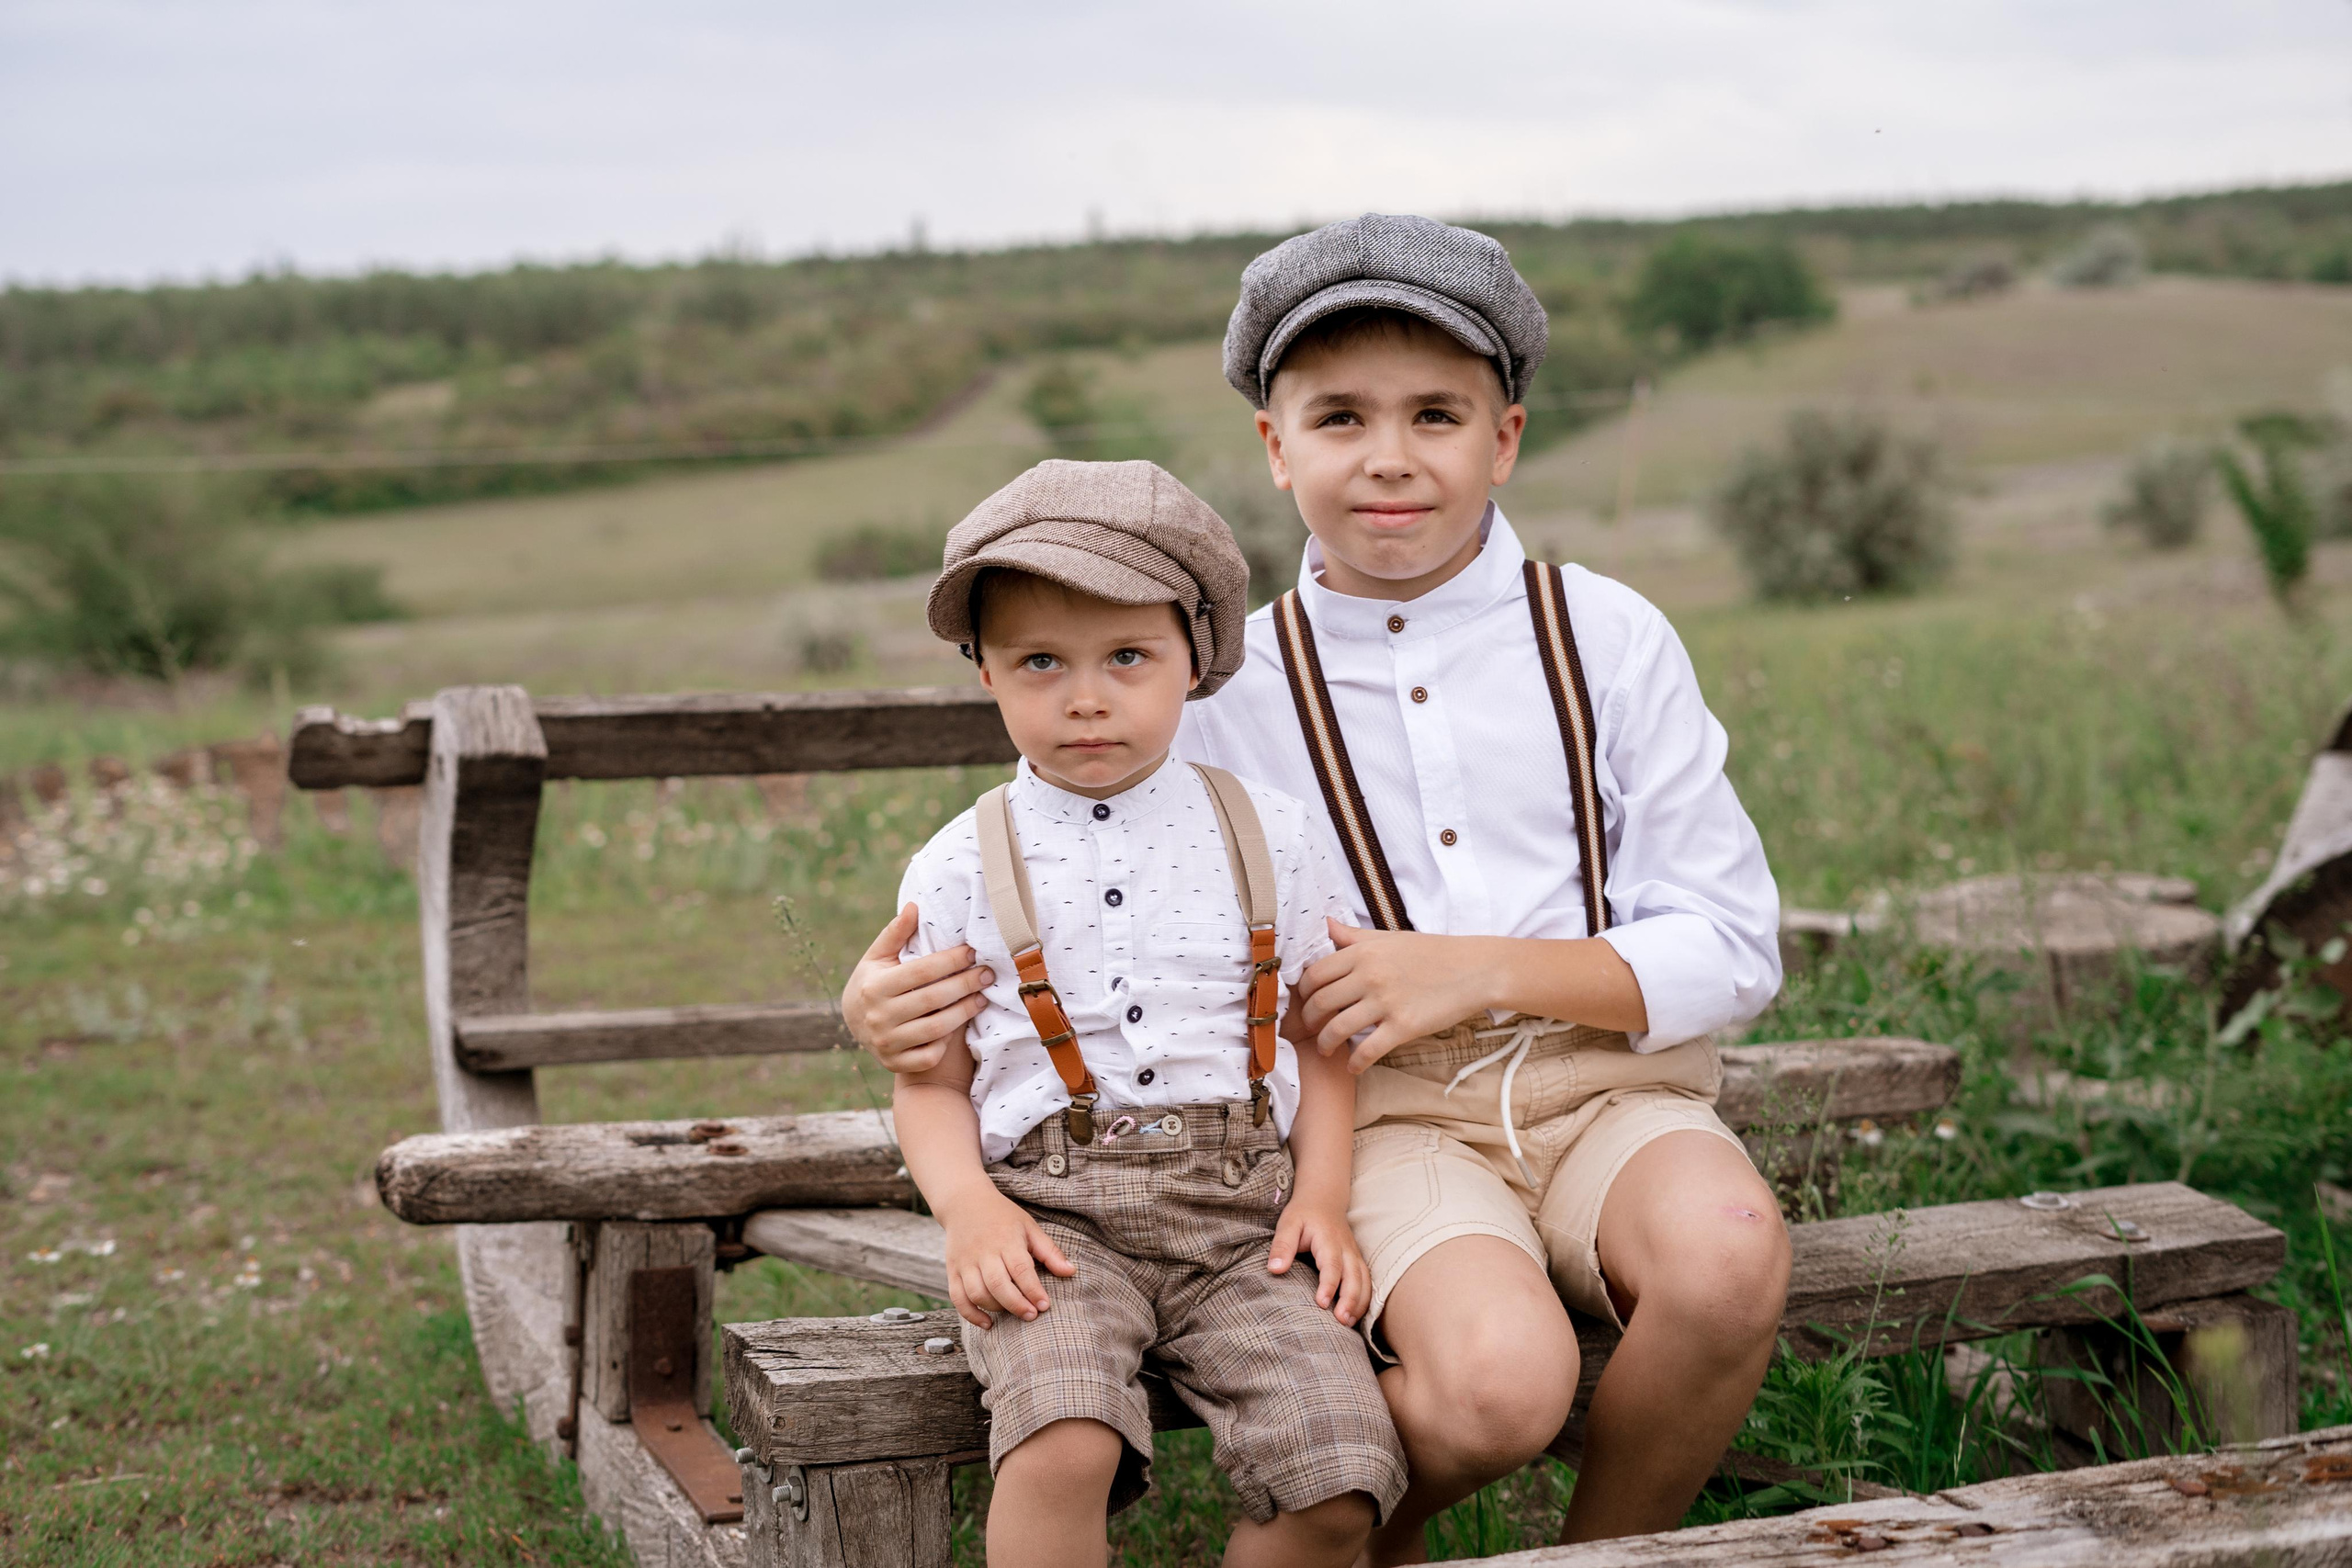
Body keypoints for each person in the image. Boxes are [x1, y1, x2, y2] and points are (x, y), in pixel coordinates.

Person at [850, 215, 1788, 1558]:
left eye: (1437, 414)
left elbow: (1735, 942)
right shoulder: (1210, 685)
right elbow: (1052, 871)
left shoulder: (1606, 634)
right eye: (1339, 416)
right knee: (1495, 1385)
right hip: (1378, 1113)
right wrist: (879, 990)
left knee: (1731, 1245)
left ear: (1506, 437)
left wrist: (1476, 965)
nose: (1391, 457)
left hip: (1615, 1087)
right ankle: (1334, 1534)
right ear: (1276, 448)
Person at [886, 457, 1406, 1568]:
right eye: (1040, 662)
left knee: (1340, 1471)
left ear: (1195, 662)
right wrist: (969, 1212)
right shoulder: (959, 865)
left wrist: (1322, 1195)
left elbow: (1317, 1034)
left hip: (1244, 1226)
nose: (1085, 697)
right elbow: (927, 1079)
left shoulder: (1268, 830)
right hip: (1054, 1224)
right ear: (984, 672)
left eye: (1127, 657)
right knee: (1062, 1444)